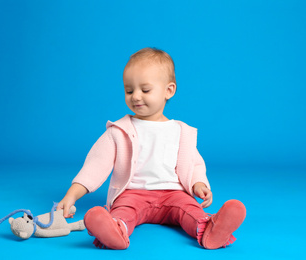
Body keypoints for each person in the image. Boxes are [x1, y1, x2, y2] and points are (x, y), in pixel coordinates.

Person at [57, 47, 246, 250]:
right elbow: (95, 166)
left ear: (169, 91)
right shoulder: (119, 131)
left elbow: (194, 162)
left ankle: (210, 228)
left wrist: (199, 183)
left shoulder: (181, 131)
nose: (136, 96)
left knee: (190, 209)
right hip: (132, 194)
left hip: (174, 193)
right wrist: (71, 195)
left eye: (145, 90)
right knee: (123, 212)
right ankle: (115, 230)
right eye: (129, 90)